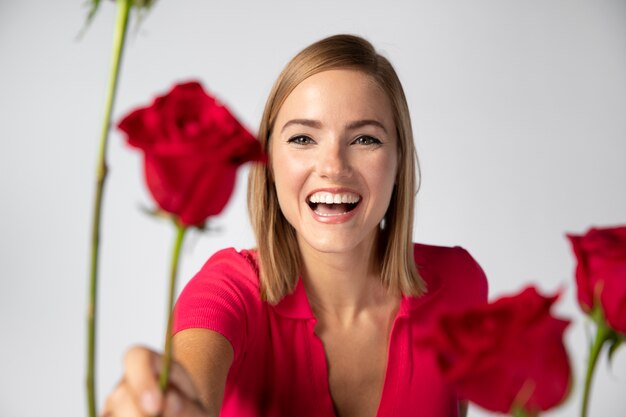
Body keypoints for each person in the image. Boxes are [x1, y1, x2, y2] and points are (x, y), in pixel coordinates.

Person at [101, 34, 488, 417]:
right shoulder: (227, 290)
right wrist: (166, 404)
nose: (333, 166)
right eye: (303, 138)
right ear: (267, 162)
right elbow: (190, 383)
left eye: (365, 139)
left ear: (399, 161)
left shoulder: (459, 284)